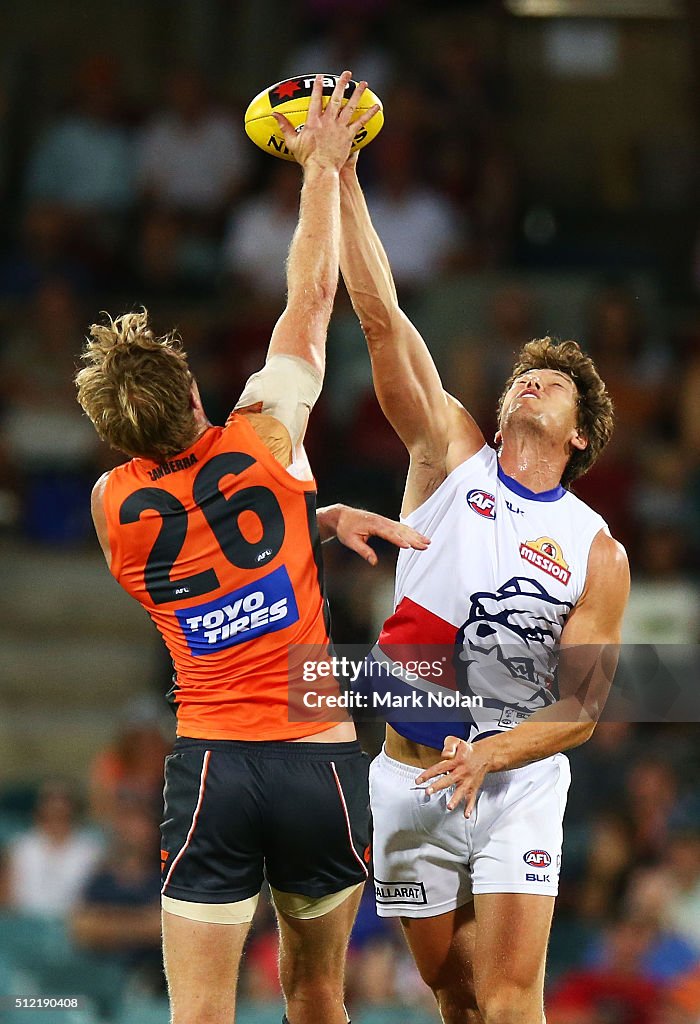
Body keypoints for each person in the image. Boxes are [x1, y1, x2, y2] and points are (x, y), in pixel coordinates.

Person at [75, 74, 426, 1024]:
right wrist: (322, 164)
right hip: (316, 759)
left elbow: (208, 551)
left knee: (199, 1015)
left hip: (216, 766)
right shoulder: (265, 438)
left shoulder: (113, 505)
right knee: (318, 997)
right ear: (193, 395)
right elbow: (311, 294)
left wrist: (305, 524)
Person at [337, 152, 630, 1024]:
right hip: (408, 773)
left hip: (513, 781)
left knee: (509, 1001)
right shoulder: (450, 457)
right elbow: (383, 321)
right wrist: (344, 178)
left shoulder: (595, 549)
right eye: (522, 376)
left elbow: (579, 712)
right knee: (453, 997)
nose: (529, 381)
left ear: (580, 435)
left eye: (554, 384)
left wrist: (492, 754)